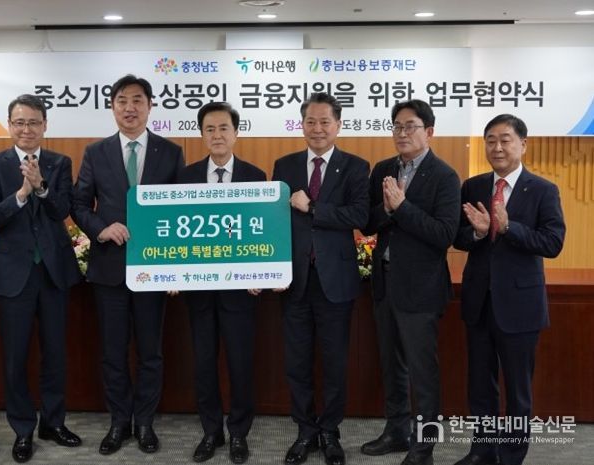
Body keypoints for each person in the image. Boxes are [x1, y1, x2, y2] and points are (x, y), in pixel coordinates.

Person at [71, 74, 185, 455]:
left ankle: (145, 422)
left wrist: (175, 268)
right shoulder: (95, 152)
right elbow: (79, 204)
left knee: (151, 352)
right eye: (122, 100)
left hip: (154, 269)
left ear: (150, 106)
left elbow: (180, 210)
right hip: (110, 268)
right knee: (113, 352)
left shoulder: (170, 152)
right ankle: (119, 422)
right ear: (112, 107)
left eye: (137, 100)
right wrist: (101, 229)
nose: (129, 108)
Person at [452, 114, 565, 465]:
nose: (497, 147)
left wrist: (508, 227)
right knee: (480, 385)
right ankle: (482, 450)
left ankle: (512, 455)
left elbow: (553, 242)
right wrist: (477, 232)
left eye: (505, 140)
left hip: (520, 305)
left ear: (523, 144)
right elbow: (457, 237)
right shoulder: (472, 186)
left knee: (517, 390)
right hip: (479, 302)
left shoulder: (543, 190)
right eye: (490, 140)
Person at [0, 94, 82, 463]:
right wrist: (22, 194)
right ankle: (23, 428)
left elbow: (63, 210)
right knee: (15, 356)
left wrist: (41, 187)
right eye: (20, 122)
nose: (27, 129)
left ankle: (53, 422)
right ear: (9, 125)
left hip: (53, 272)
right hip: (12, 275)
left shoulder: (59, 162)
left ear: (45, 125)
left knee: (55, 354)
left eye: (34, 122)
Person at [360, 99, 460, 465]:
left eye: (410, 126)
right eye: (397, 126)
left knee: (423, 373)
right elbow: (367, 222)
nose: (402, 133)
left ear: (429, 131)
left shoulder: (445, 176)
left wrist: (402, 208)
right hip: (384, 283)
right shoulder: (383, 170)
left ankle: (424, 447)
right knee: (392, 366)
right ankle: (396, 431)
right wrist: (387, 210)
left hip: (421, 289)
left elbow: (444, 234)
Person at [272, 92, 369, 465]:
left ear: (338, 125)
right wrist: (273, 267)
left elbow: (358, 215)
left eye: (324, 121)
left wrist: (312, 207)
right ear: (301, 125)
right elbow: (275, 222)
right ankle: (305, 431)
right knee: (296, 362)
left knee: (334, 362)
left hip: (335, 281)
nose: (317, 128)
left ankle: (330, 430)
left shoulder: (356, 166)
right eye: (310, 121)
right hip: (295, 281)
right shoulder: (285, 165)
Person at [177, 102, 265, 464]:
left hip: (240, 291)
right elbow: (177, 231)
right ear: (201, 134)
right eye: (210, 129)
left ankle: (239, 432)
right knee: (203, 364)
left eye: (223, 128)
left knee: (241, 364)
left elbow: (263, 229)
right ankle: (211, 431)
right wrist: (173, 272)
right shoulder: (185, 177)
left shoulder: (256, 176)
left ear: (236, 132)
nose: (217, 135)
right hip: (198, 291)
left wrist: (261, 272)